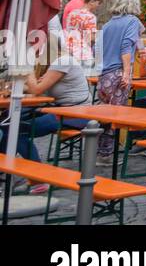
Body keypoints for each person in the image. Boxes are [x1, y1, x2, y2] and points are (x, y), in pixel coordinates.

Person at [0, 54, 93, 183]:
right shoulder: (55, 66)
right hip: (61, 110)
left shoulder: (63, 62)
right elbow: (35, 89)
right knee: (7, 122)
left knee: (15, 129)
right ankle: (4, 168)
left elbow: (36, 90)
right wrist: (12, 87)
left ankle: (37, 178)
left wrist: (28, 68)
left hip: (76, 115)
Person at [94, 0, 145, 156]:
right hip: (117, 72)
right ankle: (106, 154)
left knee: (104, 115)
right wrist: (126, 73)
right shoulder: (132, 22)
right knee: (115, 116)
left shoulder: (108, 24)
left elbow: (97, 49)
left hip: (104, 74)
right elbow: (126, 46)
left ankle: (97, 150)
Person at [62, 0, 102, 68]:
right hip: (82, 52)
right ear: (91, 2)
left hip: (68, 49)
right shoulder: (90, 17)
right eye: (98, 3)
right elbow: (90, 38)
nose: (98, 6)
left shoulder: (72, 14)